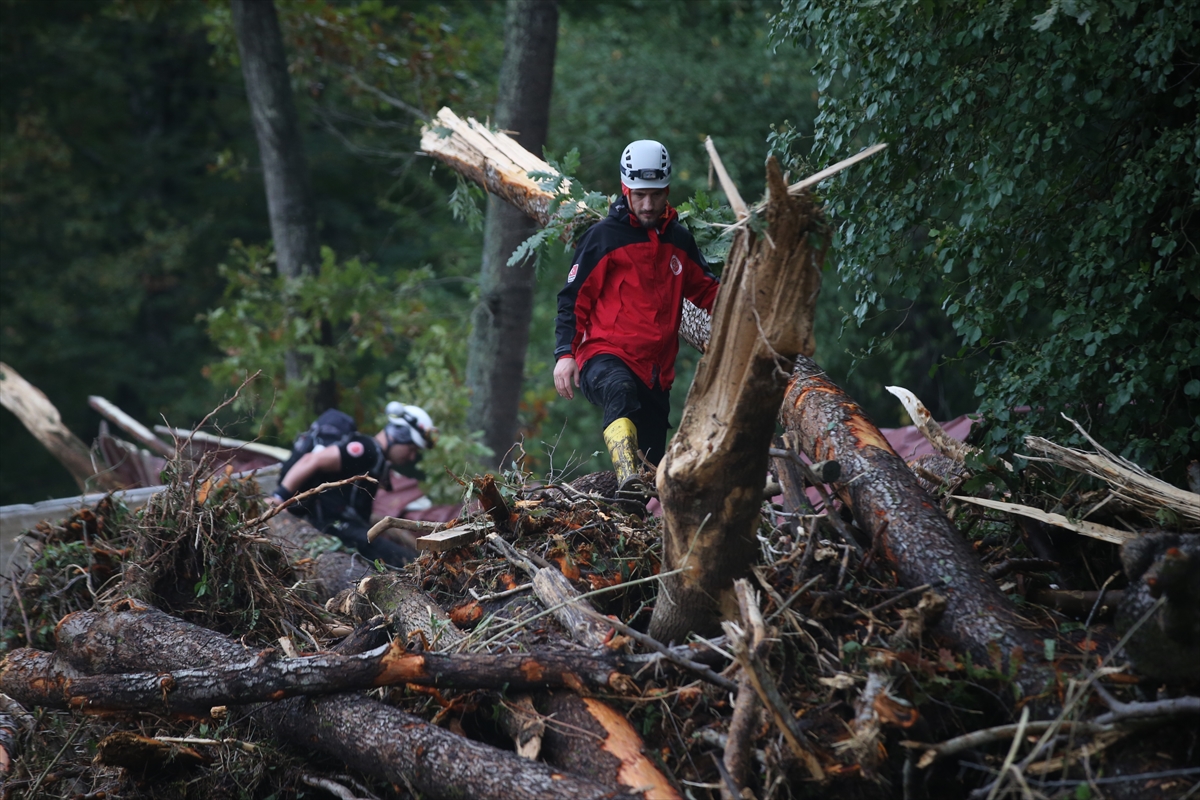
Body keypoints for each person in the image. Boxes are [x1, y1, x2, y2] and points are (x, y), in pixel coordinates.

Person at [553, 139, 720, 494]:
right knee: (620, 389)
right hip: (604, 355)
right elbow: (572, 299)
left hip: (657, 374)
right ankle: (626, 471)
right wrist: (565, 355)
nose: (648, 204)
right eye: (640, 194)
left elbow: (709, 291)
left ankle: (628, 505)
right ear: (625, 189)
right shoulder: (603, 238)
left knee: (652, 471)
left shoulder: (679, 239)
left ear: (667, 191)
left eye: (656, 195)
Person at [268, 402, 436, 565]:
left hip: (341, 524)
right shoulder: (365, 450)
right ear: (399, 435)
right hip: (330, 524)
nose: (412, 457)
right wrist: (279, 497)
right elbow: (312, 460)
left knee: (404, 554)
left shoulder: (376, 458)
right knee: (405, 561)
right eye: (412, 449)